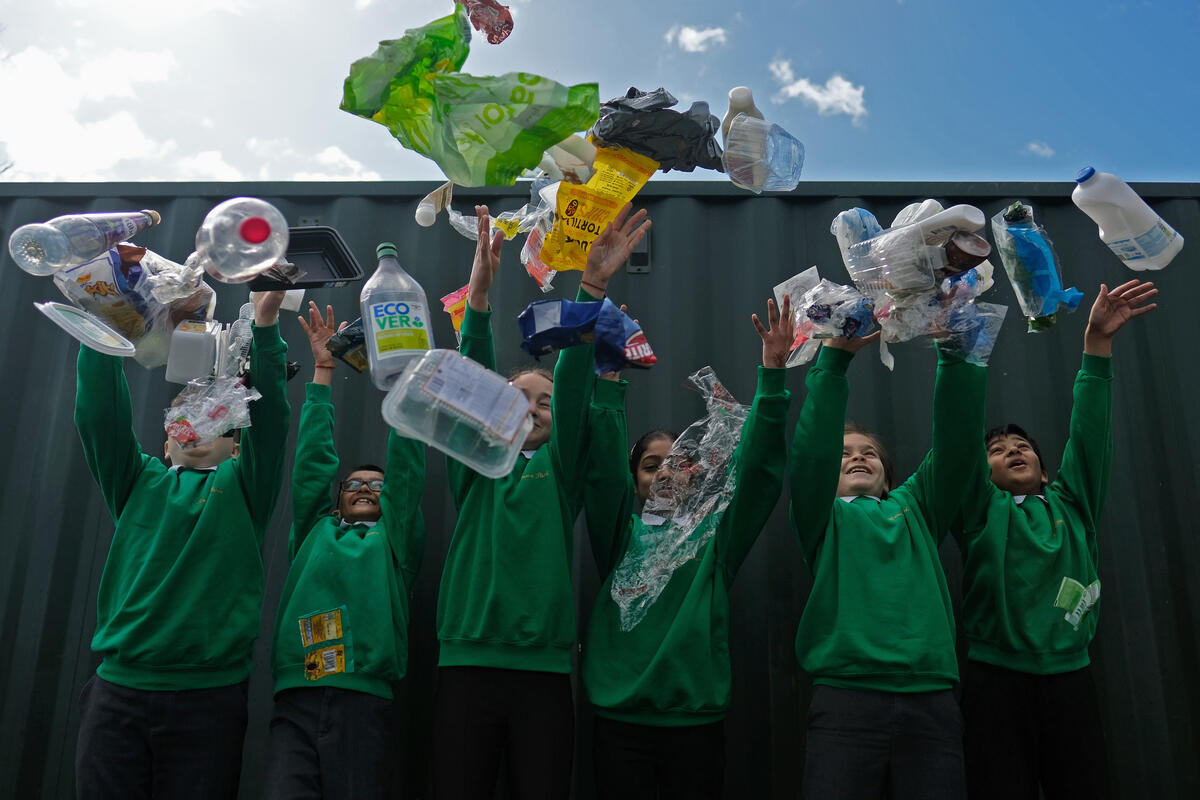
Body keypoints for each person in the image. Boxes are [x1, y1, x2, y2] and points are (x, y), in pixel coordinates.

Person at [432, 203, 651, 799]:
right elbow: (472, 379)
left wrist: (594, 286)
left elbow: (577, 387)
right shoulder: (477, 465)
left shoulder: (561, 472)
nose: (530, 410)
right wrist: (478, 298)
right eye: (516, 399)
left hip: (545, 672)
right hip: (465, 666)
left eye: (544, 404)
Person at [73, 290, 290, 800]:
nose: (194, 428)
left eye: (214, 418)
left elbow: (274, 416)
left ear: (237, 440)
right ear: (165, 439)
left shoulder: (243, 485)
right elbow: (98, 417)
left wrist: (265, 324)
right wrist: (107, 326)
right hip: (117, 691)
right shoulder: (138, 481)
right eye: (181, 420)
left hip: (207, 697)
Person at [581, 297, 794, 800]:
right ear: (633, 480)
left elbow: (761, 474)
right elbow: (600, 473)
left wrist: (772, 377)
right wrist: (608, 377)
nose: (667, 472)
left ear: (698, 474)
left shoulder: (714, 537)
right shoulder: (619, 536)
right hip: (618, 720)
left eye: (679, 461)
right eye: (651, 465)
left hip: (695, 723)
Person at [954, 279, 1157, 800]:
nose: (1012, 451)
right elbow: (955, 441)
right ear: (984, 474)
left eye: (1022, 445)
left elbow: (1091, 431)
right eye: (997, 450)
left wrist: (1097, 345)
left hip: (1072, 678)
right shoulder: (981, 512)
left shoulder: (1072, 505)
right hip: (995, 679)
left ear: (1045, 471)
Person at [789, 329, 986, 799]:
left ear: (888, 475)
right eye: (845, 455)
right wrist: (832, 364)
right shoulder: (823, 516)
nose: (858, 457)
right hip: (845, 701)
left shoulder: (915, 507)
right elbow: (811, 453)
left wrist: (956, 353)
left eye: (869, 453)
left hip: (932, 702)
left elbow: (958, 441)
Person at [262, 302, 426, 799]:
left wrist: (402, 387)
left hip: (365, 700)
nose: (364, 489)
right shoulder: (314, 530)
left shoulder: (394, 540)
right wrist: (323, 371)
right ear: (337, 496)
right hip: (296, 697)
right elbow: (312, 460)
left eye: (376, 488)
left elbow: (407, 469)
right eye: (354, 483)